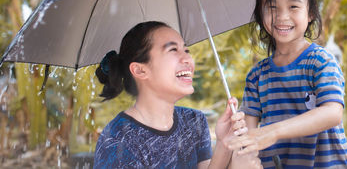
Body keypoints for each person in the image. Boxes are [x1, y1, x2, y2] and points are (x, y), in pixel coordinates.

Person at [93, 21, 261, 169]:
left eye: (186, 49)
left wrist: (225, 143)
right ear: (140, 70)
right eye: (173, 50)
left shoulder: (193, 121)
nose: (188, 58)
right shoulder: (118, 141)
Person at [228, 0, 347, 168]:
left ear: (310, 13)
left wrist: (273, 131)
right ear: (261, 13)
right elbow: (249, 135)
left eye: (293, 7)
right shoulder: (257, 76)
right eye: (272, 7)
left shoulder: (320, 61)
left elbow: (332, 113)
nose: (282, 16)